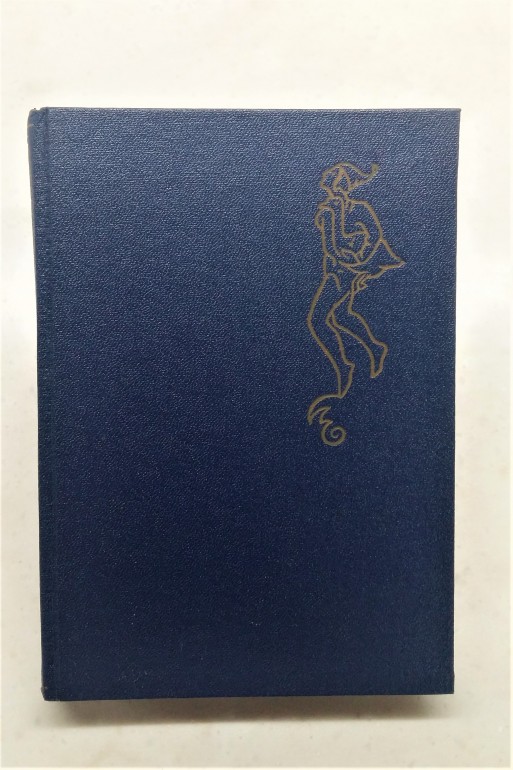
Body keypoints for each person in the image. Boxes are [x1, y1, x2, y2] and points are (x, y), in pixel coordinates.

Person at [307, 162, 405, 446]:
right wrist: (355, 255)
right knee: (341, 315)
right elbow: (333, 246)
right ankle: (373, 348)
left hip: (345, 272)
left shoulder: (359, 208)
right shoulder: (328, 211)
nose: (338, 190)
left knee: (319, 319)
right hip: (338, 270)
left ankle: (345, 364)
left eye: (341, 185)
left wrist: (360, 261)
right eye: (334, 186)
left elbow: (372, 240)